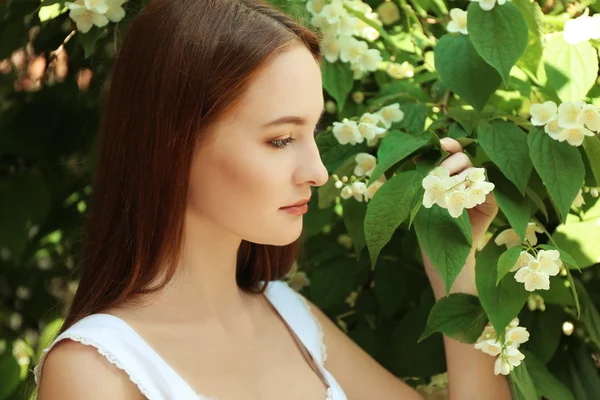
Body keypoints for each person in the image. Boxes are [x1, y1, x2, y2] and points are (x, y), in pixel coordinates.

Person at [33, 0, 512, 399]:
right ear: (174, 144)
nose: (319, 172)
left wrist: (457, 269)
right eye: (281, 139)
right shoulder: (95, 372)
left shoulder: (293, 317)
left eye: (313, 133)